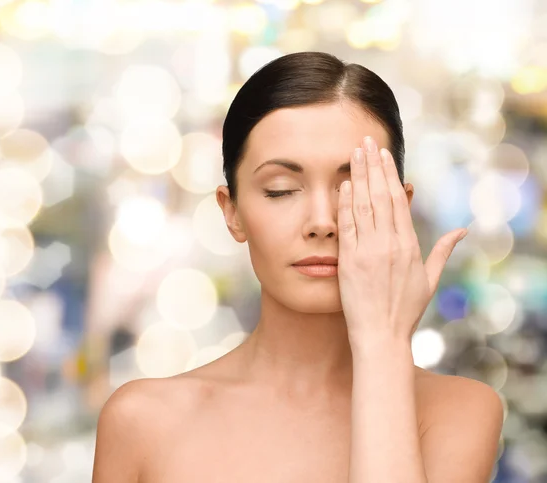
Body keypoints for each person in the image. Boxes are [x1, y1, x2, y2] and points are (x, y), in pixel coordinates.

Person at [92, 51, 504, 482]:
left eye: (352, 189)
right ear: (232, 212)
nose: (322, 223)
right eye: (281, 190)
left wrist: (384, 343)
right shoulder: (142, 420)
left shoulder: (460, 411)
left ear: (399, 208)